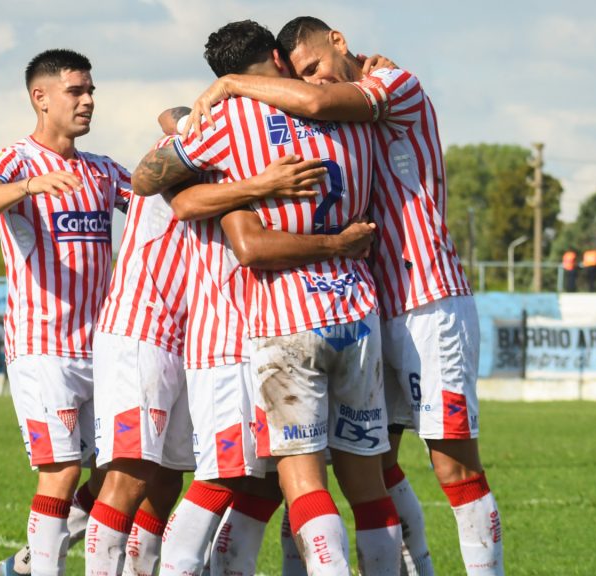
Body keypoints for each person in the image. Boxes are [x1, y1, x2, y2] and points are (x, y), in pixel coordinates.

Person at [184, 15, 509, 574]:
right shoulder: (334, 105)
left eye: (315, 67)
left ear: (338, 40)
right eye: (301, 74)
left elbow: (310, 107)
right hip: (371, 302)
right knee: (373, 466)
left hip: (429, 298)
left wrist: (233, 83)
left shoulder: (394, 84)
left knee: (454, 466)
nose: (313, 83)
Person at [135, 20, 401, 575]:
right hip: (357, 309)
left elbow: (148, 179)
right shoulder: (352, 112)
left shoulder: (234, 119)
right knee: (368, 484)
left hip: (287, 317)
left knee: (300, 482)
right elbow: (329, 94)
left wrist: (190, 123)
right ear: (281, 60)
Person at [0, 48, 126, 576]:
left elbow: (157, 199)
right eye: (75, 91)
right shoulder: (18, 159)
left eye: (90, 90)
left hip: (101, 348)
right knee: (59, 472)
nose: (88, 100)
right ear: (41, 98)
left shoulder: (102, 169)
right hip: (42, 347)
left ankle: (27, 563)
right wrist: (31, 186)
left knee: (121, 472)